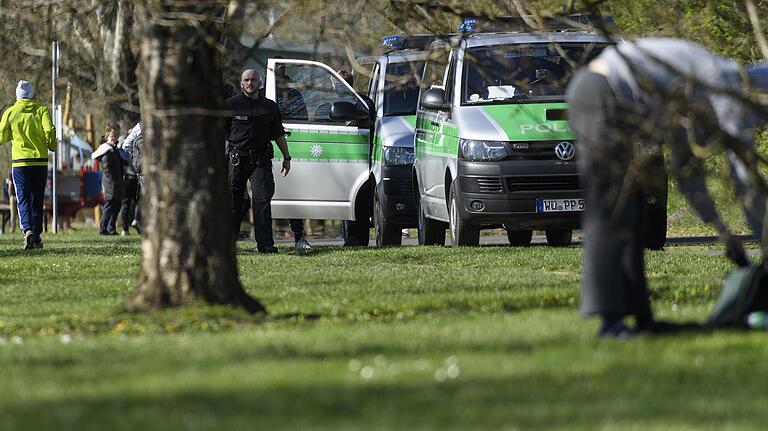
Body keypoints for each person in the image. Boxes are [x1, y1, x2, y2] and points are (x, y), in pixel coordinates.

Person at [566, 38, 767, 338]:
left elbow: (689, 175)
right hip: (601, 92)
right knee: (613, 209)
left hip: (604, 95)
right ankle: (611, 324)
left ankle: (637, 321)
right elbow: (745, 177)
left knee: (632, 213)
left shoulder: (697, 95)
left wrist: (723, 231)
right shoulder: (726, 84)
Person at [225, 69, 295, 253]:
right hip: (237, 159)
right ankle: (228, 245)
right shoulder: (230, 105)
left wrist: (287, 158)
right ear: (241, 83)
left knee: (262, 201)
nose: (250, 83)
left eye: (253, 80)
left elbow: (279, 134)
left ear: (260, 83)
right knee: (234, 203)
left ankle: (265, 245)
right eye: (246, 80)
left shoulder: (269, 107)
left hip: (261, 160)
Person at [0, 80, 56, 249]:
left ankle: (27, 230)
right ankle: (37, 235)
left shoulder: (10, 112)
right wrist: (52, 145)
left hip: (20, 163)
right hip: (39, 161)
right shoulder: (41, 110)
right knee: (37, 198)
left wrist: (11, 135)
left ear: (17, 95)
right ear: (31, 95)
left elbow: (1, 136)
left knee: (22, 197)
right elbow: (49, 130)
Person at [92, 123, 124, 236]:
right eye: (112, 136)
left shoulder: (115, 149)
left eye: (115, 136)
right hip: (110, 182)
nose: (114, 138)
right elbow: (107, 167)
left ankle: (111, 228)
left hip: (118, 181)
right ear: (107, 136)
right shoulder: (106, 150)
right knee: (109, 205)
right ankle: (103, 229)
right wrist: (113, 177)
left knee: (117, 205)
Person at [119, 122, 142, 235]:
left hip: (128, 175)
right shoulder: (139, 141)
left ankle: (125, 229)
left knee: (126, 203)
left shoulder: (125, 144)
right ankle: (136, 220)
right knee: (139, 201)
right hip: (136, 176)